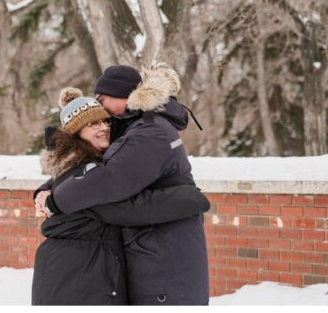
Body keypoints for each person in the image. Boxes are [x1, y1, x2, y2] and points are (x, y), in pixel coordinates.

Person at [37, 63, 209, 305]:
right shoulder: (136, 126)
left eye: (102, 99)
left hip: (164, 257)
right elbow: (84, 167)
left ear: (122, 95)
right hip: (121, 259)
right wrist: (47, 190)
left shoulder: (150, 131)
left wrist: (54, 200)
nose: (101, 111)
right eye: (93, 122)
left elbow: (109, 180)